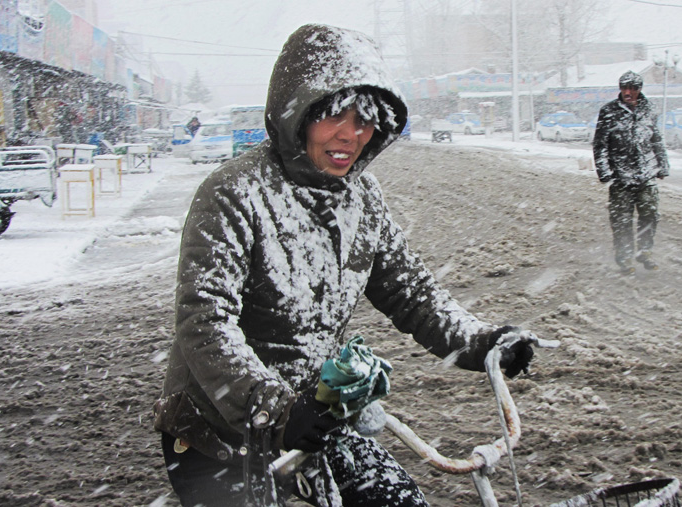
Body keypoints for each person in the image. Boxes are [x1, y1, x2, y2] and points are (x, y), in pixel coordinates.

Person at [153, 24, 547, 507]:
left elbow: (412, 293)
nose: (350, 134)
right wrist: (275, 411)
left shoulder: (363, 200)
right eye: (333, 115)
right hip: (219, 433)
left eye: (364, 120)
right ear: (297, 113)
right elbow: (205, 323)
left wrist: (481, 343)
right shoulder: (233, 193)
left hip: (315, 419)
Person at [593, 70, 670, 274]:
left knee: (650, 214)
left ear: (639, 89)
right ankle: (625, 258)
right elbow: (600, 144)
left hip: (646, 173)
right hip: (621, 175)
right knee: (621, 220)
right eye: (624, 88)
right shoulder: (609, 111)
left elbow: (656, 139)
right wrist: (604, 171)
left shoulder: (649, 109)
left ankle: (645, 251)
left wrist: (662, 165)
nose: (628, 92)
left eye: (632, 88)